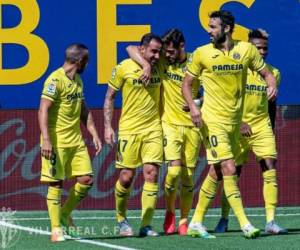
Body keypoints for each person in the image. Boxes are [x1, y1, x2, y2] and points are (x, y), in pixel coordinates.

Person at [182, 10, 278, 239]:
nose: (209, 30)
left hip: (234, 123)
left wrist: (272, 82)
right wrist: (194, 107)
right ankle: (245, 224)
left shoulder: (245, 51)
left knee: (216, 171)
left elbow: (267, 73)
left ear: (226, 28)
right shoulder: (201, 53)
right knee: (229, 168)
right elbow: (187, 84)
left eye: (213, 27)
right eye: (209, 26)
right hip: (212, 120)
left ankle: (196, 221)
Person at [126, 29, 202, 236]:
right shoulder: (161, 62)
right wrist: (146, 65)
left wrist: (198, 102)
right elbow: (130, 48)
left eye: (171, 52)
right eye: (164, 52)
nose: (166, 56)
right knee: (174, 172)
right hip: (169, 124)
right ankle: (170, 212)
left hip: (193, 126)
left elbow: (212, 89)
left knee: (187, 177)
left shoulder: (197, 61)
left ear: (182, 47)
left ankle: (184, 219)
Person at [214, 29, 287, 235]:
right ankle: (224, 217)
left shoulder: (273, 74)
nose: (262, 51)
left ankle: (271, 221)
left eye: (265, 48)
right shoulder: (237, 70)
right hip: (238, 126)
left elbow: (271, 105)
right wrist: (240, 122)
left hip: (262, 126)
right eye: (258, 48)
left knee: (269, 165)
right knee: (233, 173)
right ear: (249, 48)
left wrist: (270, 128)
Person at [38, 44, 102, 242]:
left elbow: (84, 110)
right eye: (87, 61)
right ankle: (56, 228)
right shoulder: (54, 79)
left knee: (86, 180)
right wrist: (47, 141)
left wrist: (94, 133)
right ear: (80, 61)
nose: (87, 65)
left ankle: (65, 214)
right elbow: (42, 110)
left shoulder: (78, 80)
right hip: (56, 142)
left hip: (76, 141)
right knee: (56, 183)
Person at [104, 33, 164, 237]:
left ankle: (146, 224)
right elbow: (110, 97)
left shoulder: (160, 65)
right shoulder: (124, 67)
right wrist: (107, 126)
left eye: (159, 52)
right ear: (142, 49)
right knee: (126, 177)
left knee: (152, 173)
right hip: (129, 129)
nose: (157, 56)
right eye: (153, 51)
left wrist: (149, 65)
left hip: (154, 128)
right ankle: (121, 218)